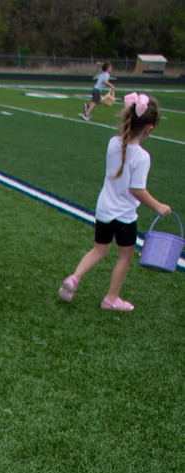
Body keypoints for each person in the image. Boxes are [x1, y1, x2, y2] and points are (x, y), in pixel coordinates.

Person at [59, 94, 171, 311]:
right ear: (149, 128)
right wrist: (158, 206)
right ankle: (111, 298)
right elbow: (136, 189)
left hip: (103, 210)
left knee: (98, 250)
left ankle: (74, 277)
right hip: (124, 216)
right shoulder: (142, 156)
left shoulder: (113, 144)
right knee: (125, 257)